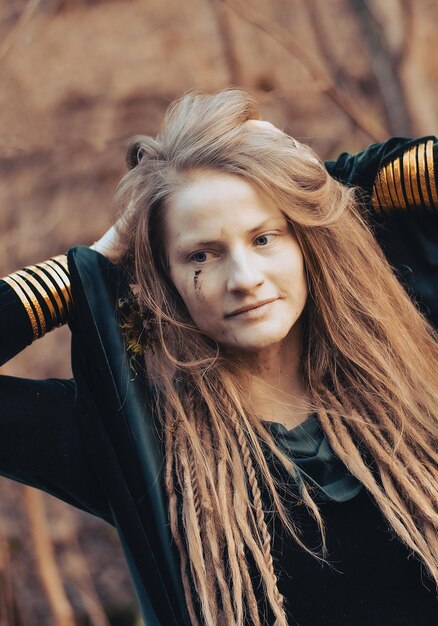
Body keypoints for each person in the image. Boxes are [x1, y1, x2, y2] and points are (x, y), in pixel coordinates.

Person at [0, 89, 437, 626]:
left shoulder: (410, 363)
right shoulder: (131, 434)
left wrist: (318, 177)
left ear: (305, 241)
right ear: (163, 278)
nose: (244, 280)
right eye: (200, 254)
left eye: (264, 238)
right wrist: (95, 267)